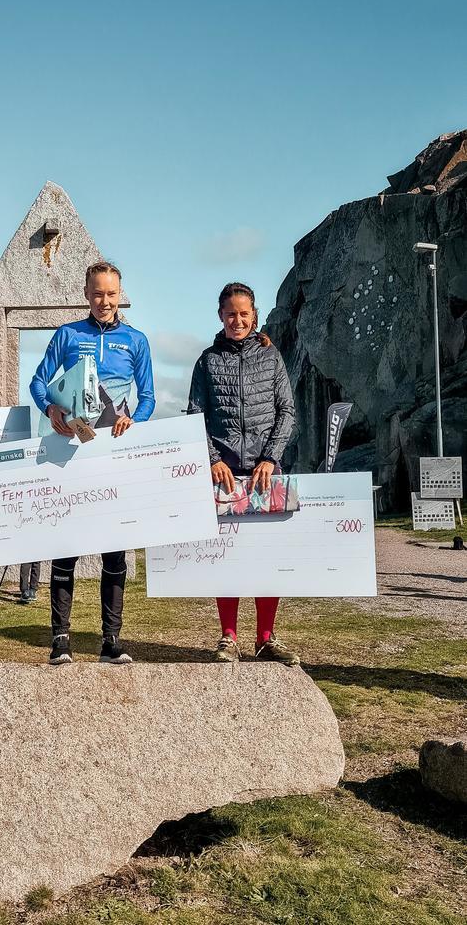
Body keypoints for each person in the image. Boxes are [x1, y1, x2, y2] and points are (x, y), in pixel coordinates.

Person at [30, 261, 155, 665]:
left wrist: (132, 418)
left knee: (113, 552)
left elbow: (149, 397)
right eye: (97, 293)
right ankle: (60, 639)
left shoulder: (136, 341)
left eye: (111, 294)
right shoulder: (67, 334)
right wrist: (50, 409)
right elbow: (38, 381)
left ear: (121, 294)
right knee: (65, 548)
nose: (104, 301)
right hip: (73, 449)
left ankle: (110, 641)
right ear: (86, 293)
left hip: (113, 453)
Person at [187, 281, 299, 665]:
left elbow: (287, 411)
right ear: (220, 315)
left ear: (255, 316)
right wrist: (212, 459)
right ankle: (229, 638)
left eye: (244, 314)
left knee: (267, 557)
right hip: (223, 474)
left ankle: (266, 638)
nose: (237, 320)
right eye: (231, 314)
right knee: (227, 557)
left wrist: (270, 457)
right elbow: (195, 415)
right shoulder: (206, 361)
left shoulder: (271, 358)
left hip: (265, 472)